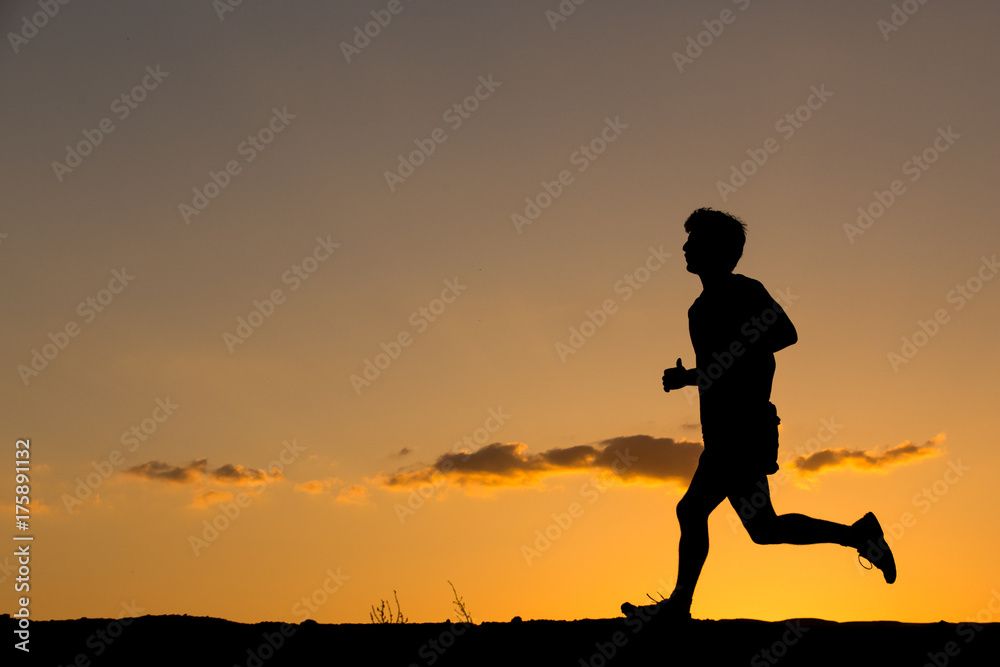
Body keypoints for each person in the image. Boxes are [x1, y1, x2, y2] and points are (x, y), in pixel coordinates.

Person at [622, 208, 895, 622]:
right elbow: (720, 367)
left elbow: (785, 334)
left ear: (717, 250)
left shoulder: (744, 291)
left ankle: (679, 607)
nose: (684, 247)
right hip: (721, 432)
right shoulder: (698, 309)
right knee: (764, 529)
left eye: (693, 241)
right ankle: (859, 535)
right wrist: (688, 378)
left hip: (745, 429)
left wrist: (727, 355)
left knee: (693, 511)